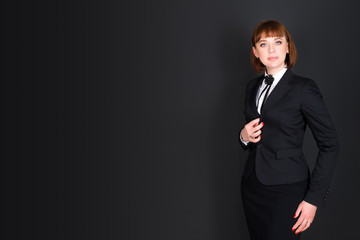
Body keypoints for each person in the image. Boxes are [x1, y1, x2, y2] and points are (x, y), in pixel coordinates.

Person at [239, 20, 339, 240]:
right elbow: (253, 137)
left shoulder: (304, 88)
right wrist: (243, 137)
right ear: (255, 52)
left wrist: (314, 199)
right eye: (263, 44)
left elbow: (330, 145)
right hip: (253, 188)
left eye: (277, 42)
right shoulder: (251, 87)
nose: (271, 49)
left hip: (286, 190)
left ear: (288, 47)